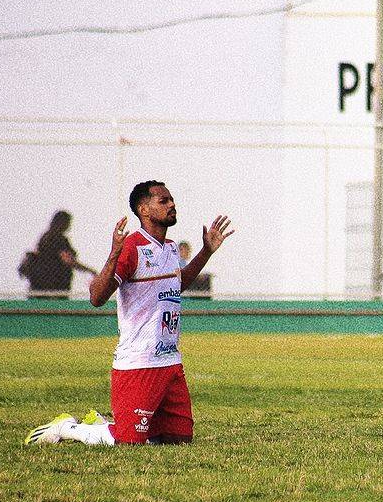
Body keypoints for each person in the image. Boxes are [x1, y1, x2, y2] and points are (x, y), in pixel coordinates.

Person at [25, 181, 234, 446]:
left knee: (178, 440)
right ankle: (68, 428)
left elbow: (177, 285)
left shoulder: (169, 247)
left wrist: (206, 251)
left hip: (169, 362)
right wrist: (114, 254)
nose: (172, 205)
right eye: (164, 201)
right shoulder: (132, 248)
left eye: (171, 200)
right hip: (139, 363)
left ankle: (102, 425)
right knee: (128, 441)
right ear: (143, 209)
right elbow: (97, 298)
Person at [21, 210, 96, 298]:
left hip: (38, 287)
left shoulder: (44, 238)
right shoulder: (59, 239)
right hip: (55, 287)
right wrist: (90, 271)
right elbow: (68, 260)